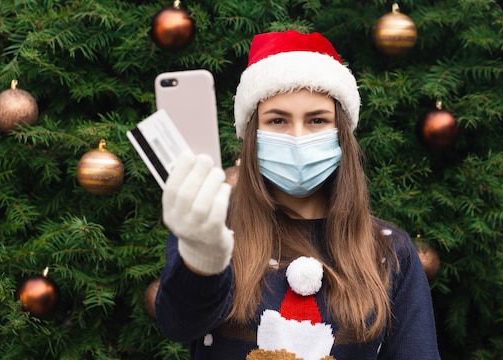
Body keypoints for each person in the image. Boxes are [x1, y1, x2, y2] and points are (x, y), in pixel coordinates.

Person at [156, 30, 440, 359]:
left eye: (317, 120)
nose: (298, 137)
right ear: (252, 136)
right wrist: (202, 257)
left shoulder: (389, 249)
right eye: (277, 120)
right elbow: (178, 323)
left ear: (341, 135)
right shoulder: (210, 228)